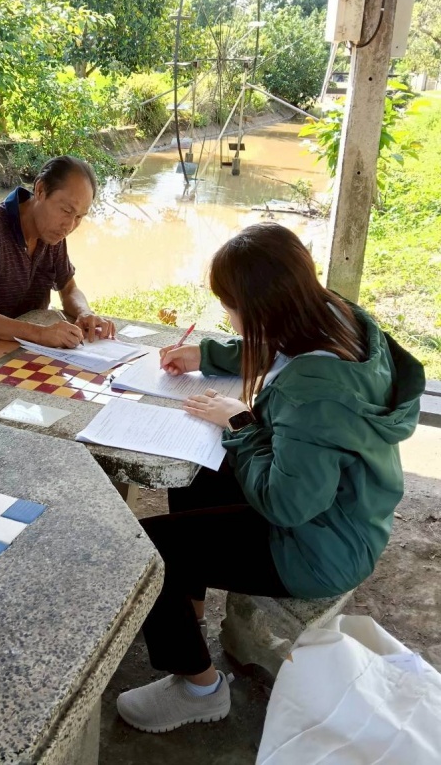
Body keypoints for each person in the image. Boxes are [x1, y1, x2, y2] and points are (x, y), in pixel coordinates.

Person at [117, 223, 425, 733]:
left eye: (230, 307)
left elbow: (286, 504)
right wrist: (208, 355)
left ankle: (199, 689)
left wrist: (241, 423)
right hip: (341, 508)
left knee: (147, 549)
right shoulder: (332, 313)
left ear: (260, 310)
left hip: (319, 545)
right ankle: (187, 611)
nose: (228, 317)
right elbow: (278, 347)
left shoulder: (314, 391)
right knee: (197, 467)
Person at [0, 155, 115, 356]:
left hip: (20, 350)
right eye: (66, 210)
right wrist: (41, 333)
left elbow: (69, 289)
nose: (70, 226)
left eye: (79, 216)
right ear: (40, 190)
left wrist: (84, 313)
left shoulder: (53, 234)